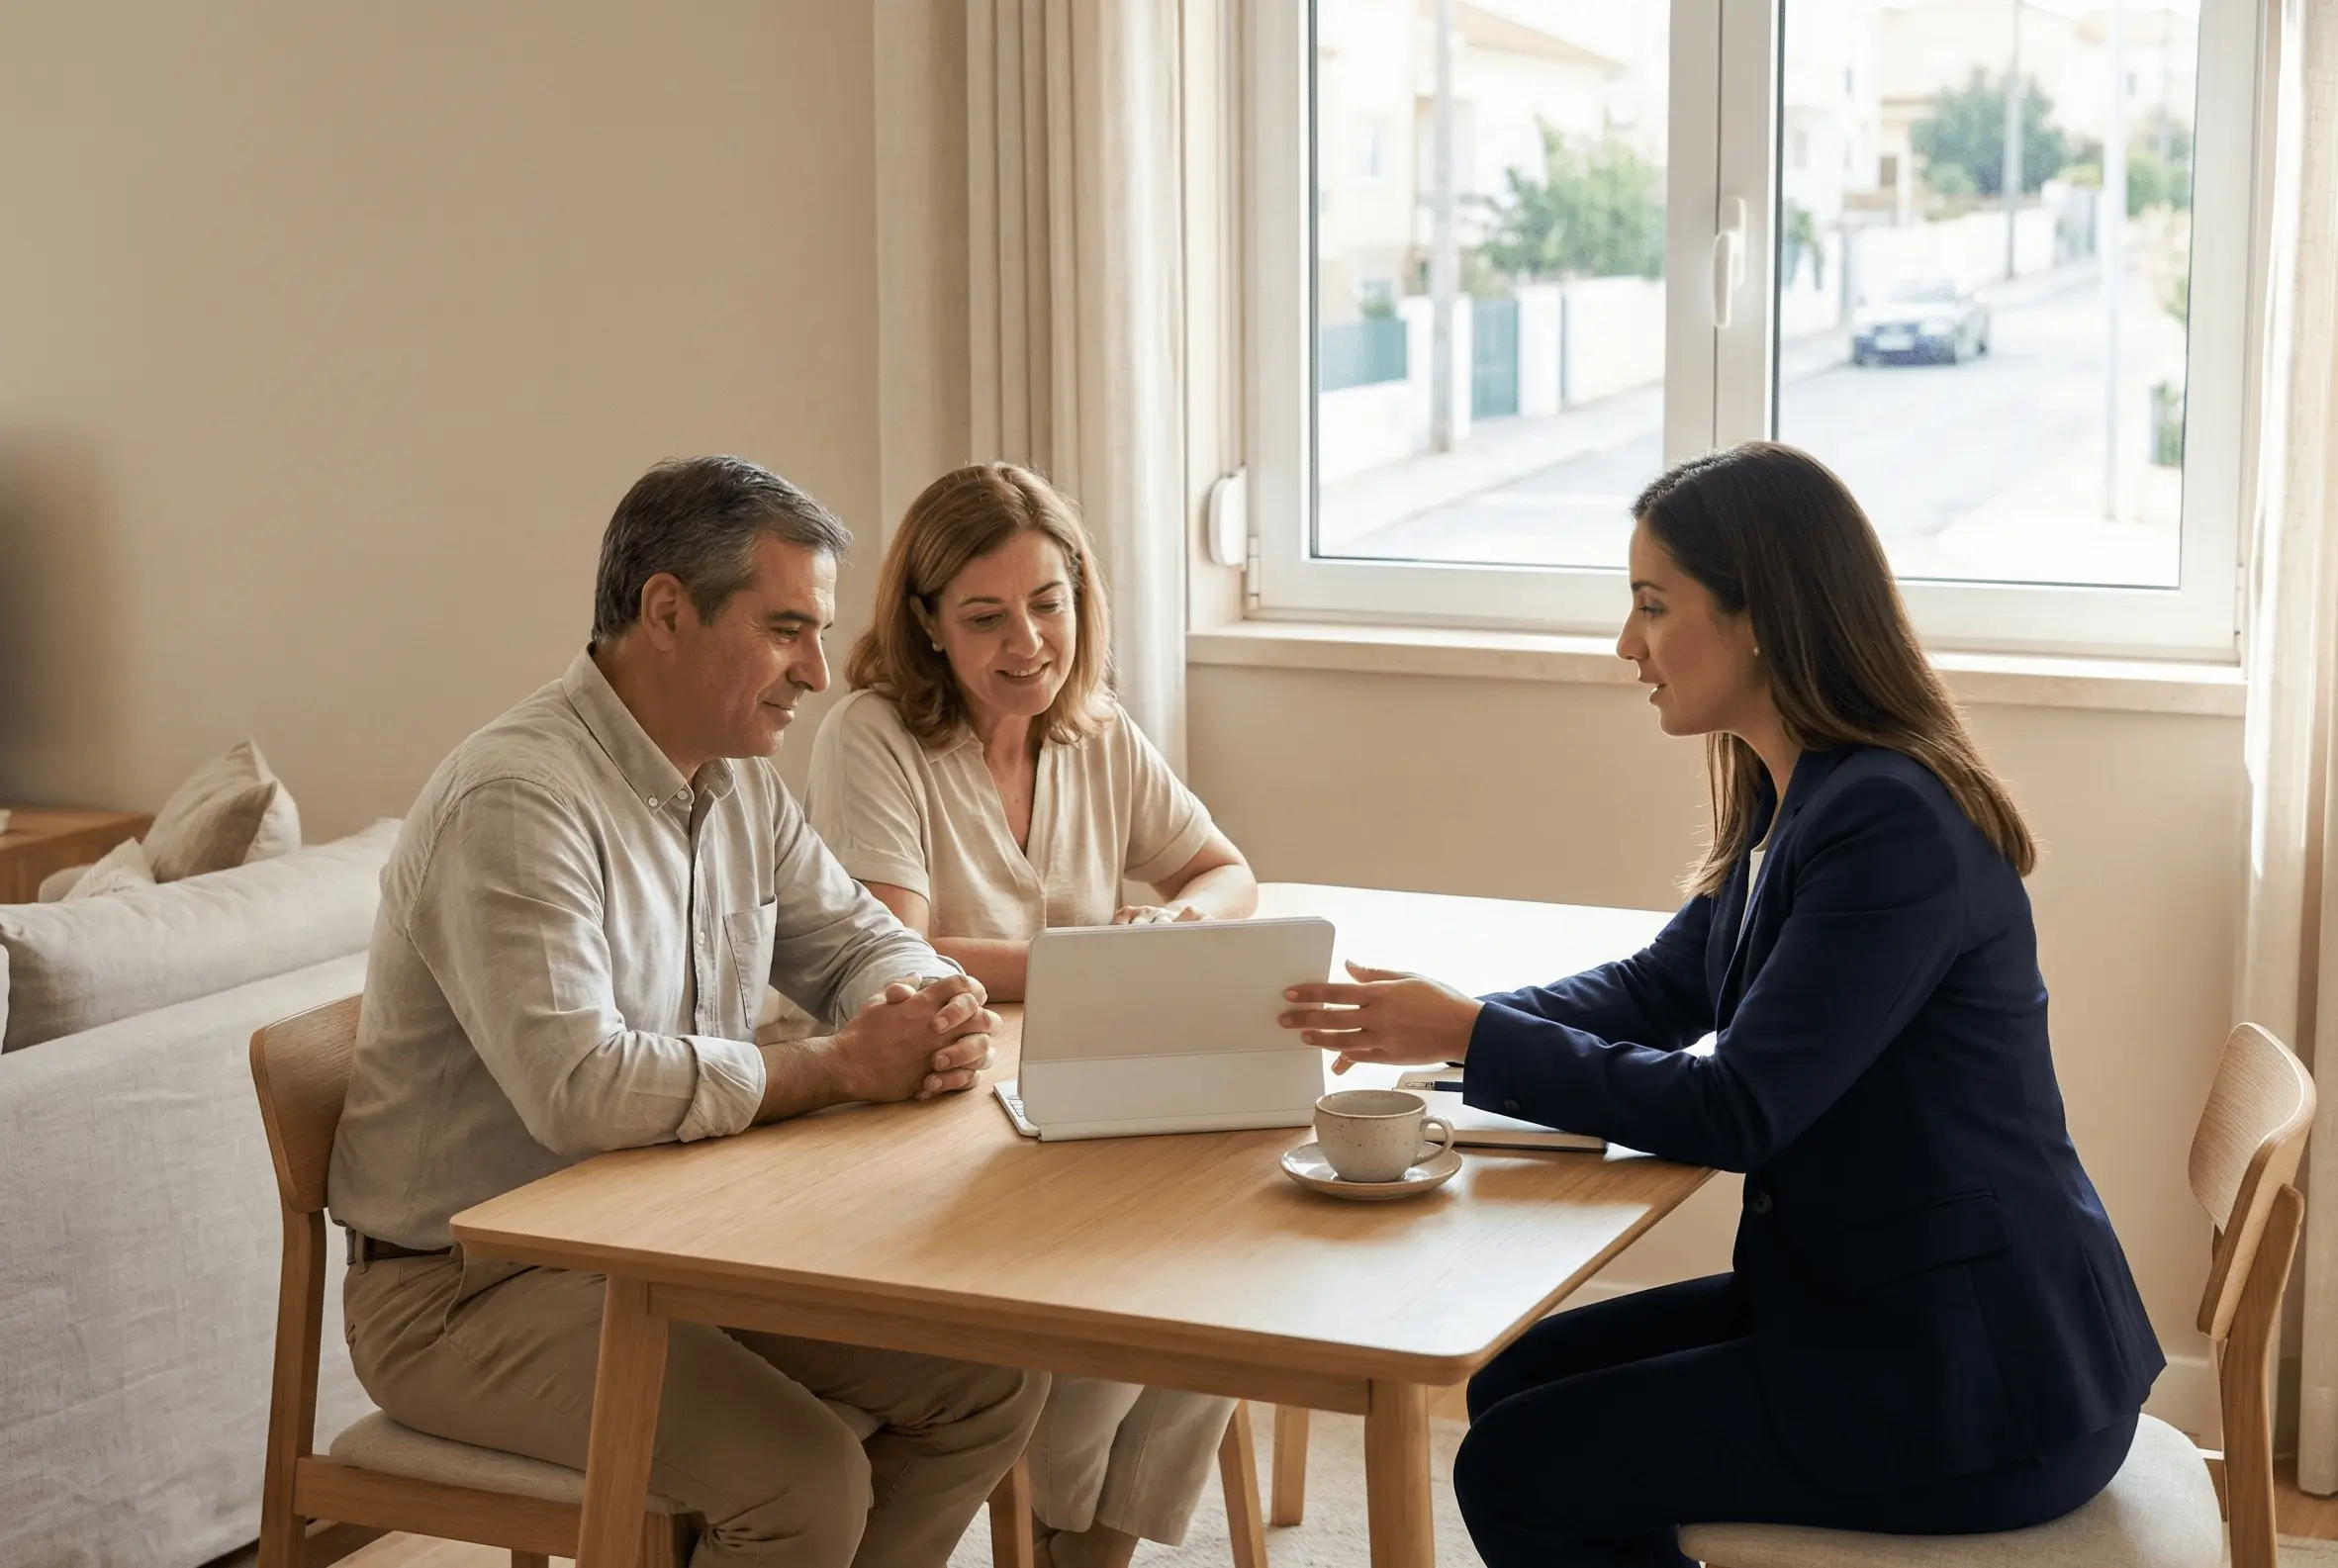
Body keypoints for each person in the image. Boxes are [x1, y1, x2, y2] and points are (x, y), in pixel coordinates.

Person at [1277, 441, 2164, 1568]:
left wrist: (1474, 1036)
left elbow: (1738, 1108)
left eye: (1653, 604)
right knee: (1508, 1385)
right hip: (1872, 1302)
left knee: (1515, 1465)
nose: (1626, 643)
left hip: (1976, 1376)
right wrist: (1441, 1029)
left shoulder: (1887, 822)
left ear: (1759, 618)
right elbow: (1662, 987)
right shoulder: (1796, 786)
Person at [327, 456, 1049, 1568]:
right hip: (468, 1293)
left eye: (817, 633)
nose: (817, 671)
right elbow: (580, 1089)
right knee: (805, 1481)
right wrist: (842, 1066)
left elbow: (860, 938)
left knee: (989, 1383)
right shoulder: (518, 799)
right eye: (786, 630)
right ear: (666, 611)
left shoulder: (738, 775)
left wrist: (926, 1001)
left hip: (667, 1244)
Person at [804, 462, 1258, 1568]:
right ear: (927, 624)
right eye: (985, 617)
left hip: (1069, 1092)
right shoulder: (871, 736)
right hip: (926, 1113)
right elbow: (895, 948)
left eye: (1049, 603)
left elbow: (1224, 870)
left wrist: (1175, 925)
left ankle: (1090, 1543)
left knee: (1229, 1263)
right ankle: (1063, 1518)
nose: (1028, 642)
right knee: (1121, 1290)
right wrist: (1096, 963)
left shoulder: (1092, 730)